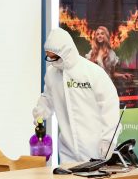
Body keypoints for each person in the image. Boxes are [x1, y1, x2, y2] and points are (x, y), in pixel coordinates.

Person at [33, 27, 120, 163]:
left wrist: (108, 139)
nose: (52, 61)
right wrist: (40, 111)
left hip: (96, 148)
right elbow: (48, 97)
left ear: (66, 52)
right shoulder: (52, 74)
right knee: (68, 176)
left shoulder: (92, 72)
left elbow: (110, 105)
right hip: (67, 150)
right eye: (49, 57)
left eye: (55, 57)